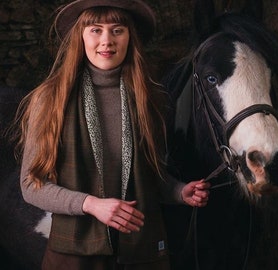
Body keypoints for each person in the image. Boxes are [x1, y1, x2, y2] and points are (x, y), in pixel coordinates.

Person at [15, 1, 210, 269]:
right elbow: (31, 185)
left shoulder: (151, 99)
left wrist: (179, 191)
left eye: (117, 30)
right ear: (80, 36)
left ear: (130, 38)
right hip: (75, 255)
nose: (107, 41)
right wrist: (91, 204)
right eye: (96, 30)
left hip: (142, 252)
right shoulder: (50, 100)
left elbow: (151, 175)